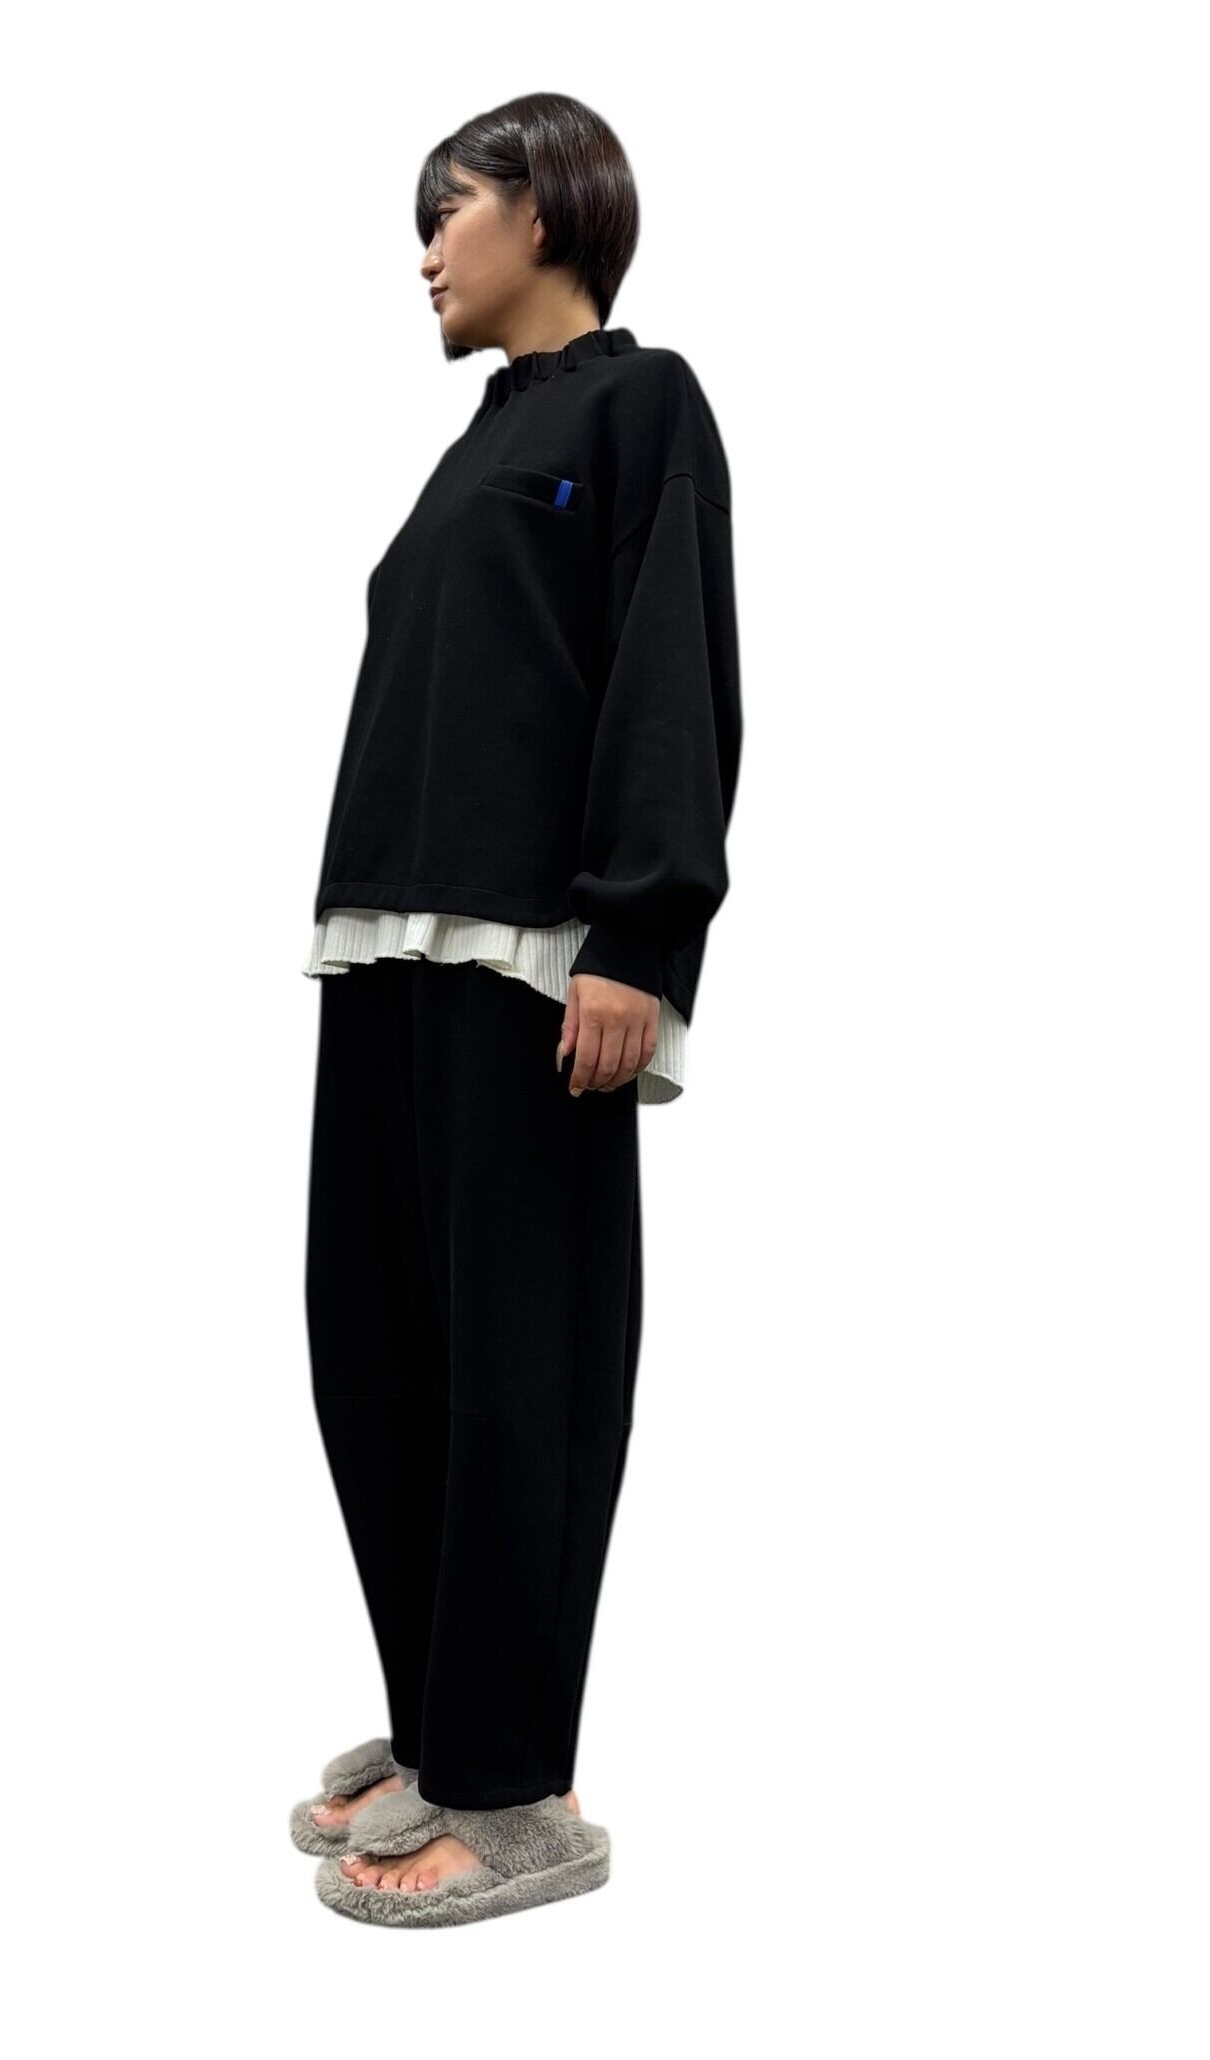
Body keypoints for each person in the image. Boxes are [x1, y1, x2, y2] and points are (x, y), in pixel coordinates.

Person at [293, 91, 744, 1927]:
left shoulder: (644, 408)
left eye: (448, 210)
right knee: (375, 1348)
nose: (424, 252)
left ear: (546, 210)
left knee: (520, 1372)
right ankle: (445, 1721)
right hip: (386, 952)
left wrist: (640, 936)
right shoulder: (484, 439)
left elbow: (671, 669)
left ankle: (518, 1788)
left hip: (534, 964)